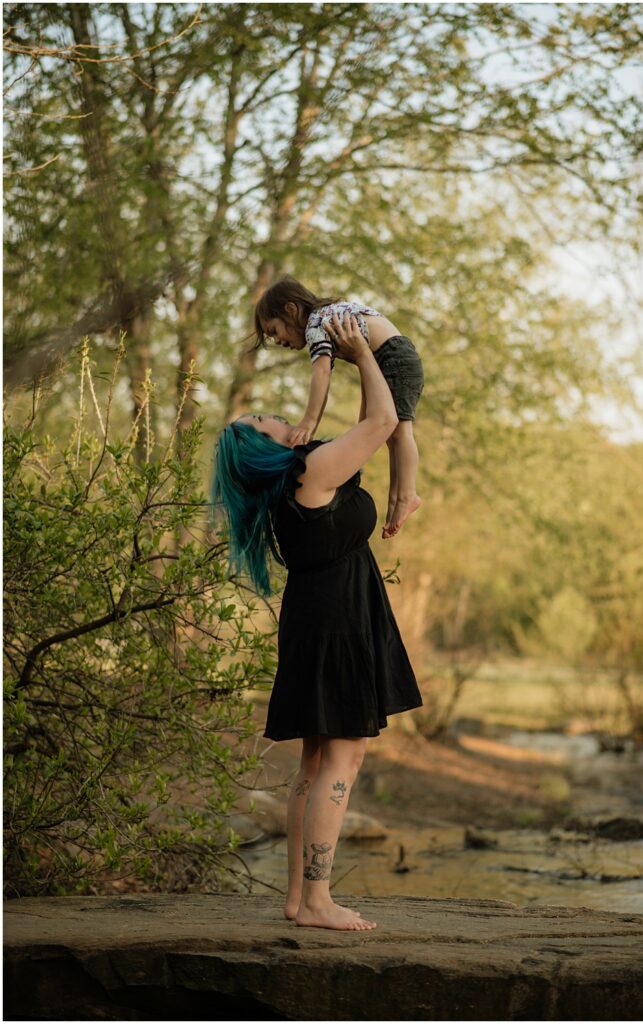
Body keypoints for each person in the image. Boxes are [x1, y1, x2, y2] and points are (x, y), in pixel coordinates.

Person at [212, 312, 423, 931]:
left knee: (312, 762)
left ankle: (298, 899)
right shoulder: (311, 473)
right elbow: (382, 424)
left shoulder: (295, 480)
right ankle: (319, 899)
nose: (279, 417)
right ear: (264, 446)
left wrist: (362, 364)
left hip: (316, 617)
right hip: (336, 620)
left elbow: (367, 425)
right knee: (343, 761)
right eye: (266, 422)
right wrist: (364, 356)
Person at [253, 275, 424, 538]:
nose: (277, 341)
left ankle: (407, 494)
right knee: (390, 437)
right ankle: (395, 499)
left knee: (401, 433)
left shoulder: (315, 325)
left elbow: (321, 375)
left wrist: (309, 422)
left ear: (290, 309)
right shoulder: (325, 316)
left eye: (274, 330)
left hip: (393, 357)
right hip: (388, 356)